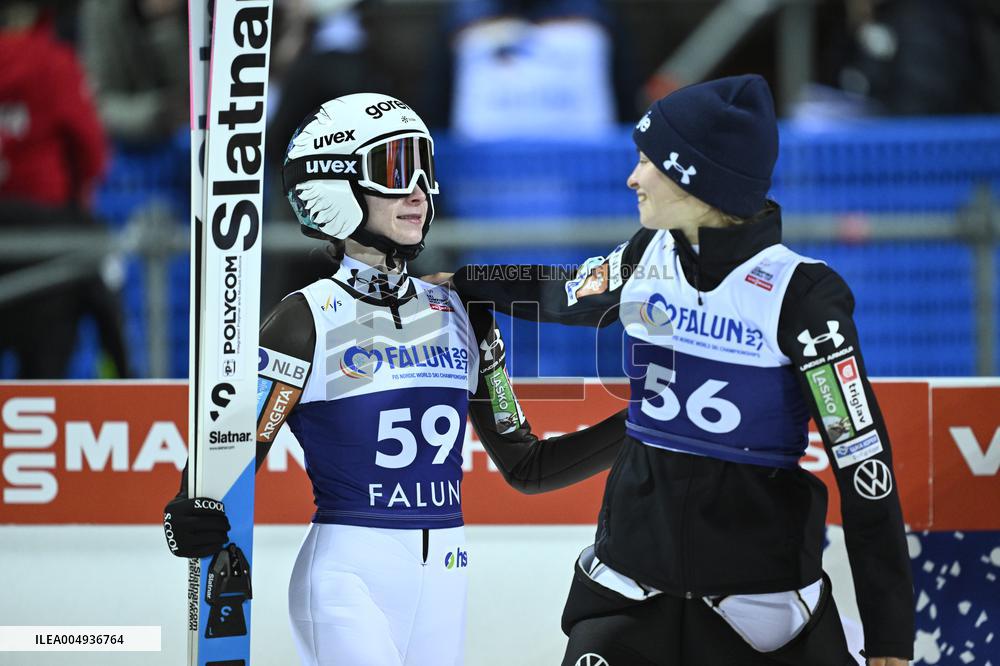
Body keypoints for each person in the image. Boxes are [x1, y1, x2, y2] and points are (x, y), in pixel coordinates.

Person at [438, 75, 915, 665]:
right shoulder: (649, 253)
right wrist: (464, 284)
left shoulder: (802, 295)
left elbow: (863, 464)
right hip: (629, 590)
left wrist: (890, 637)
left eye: (647, 162)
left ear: (696, 176)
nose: (632, 178)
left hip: (761, 610)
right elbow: (563, 293)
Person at [161, 93, 628, 666]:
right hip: (347, 579)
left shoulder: (462, 311)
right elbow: (237, 451)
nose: (418, 190)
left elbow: (527, 466)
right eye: (393, 169)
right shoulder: (304, 320)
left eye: (424, 169)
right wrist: (189, 505)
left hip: (446, 576)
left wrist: (648, 422)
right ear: (333, 188)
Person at [0, 3, 131, 379]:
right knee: (44, 375)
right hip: (47, 238)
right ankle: (123, 381)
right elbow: (91, 149)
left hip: (21, 234)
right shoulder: (54, 63)